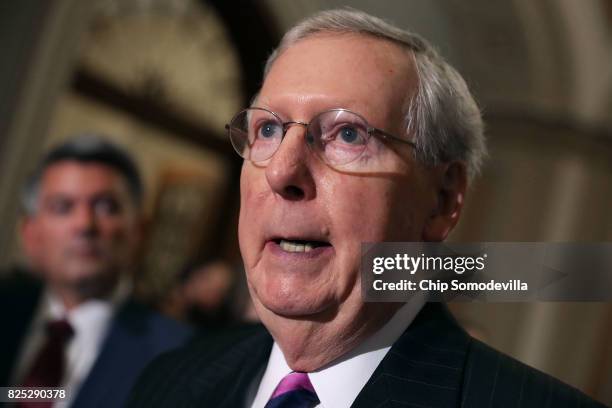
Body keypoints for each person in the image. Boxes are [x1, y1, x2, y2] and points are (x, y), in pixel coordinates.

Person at [127, 9, 605, 407]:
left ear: (441, 199)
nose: (282, 173)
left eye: (347, 135)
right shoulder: (170, 381)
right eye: (268, 131)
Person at [0, 135, 192, 408]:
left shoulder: (178, 356)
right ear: (30, 234)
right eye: (62, 207)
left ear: (140, 231)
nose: (84, 224)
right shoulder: (6, 311)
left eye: (106, 206)